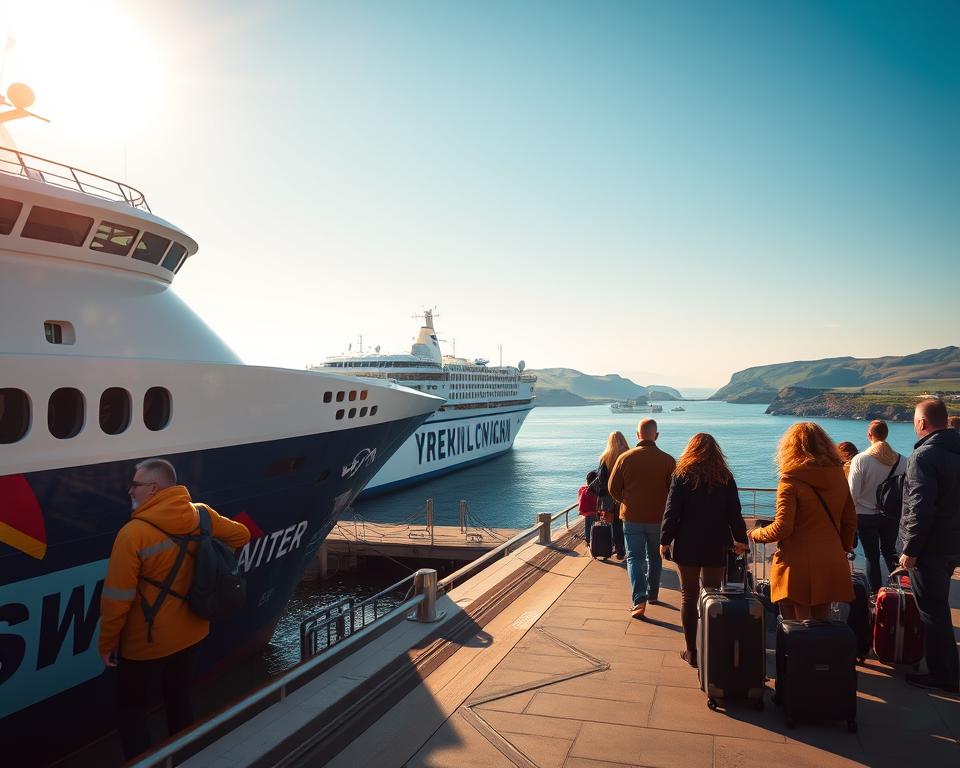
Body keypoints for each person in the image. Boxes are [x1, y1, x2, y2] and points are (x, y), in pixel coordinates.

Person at [99, 458, 251, 760]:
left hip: (147, 641)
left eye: (136, 484)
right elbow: (241, 535)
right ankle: (187, 758)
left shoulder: (133, 534)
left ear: (154, 489)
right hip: (194, 630)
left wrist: (107, 642)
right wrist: (208, 561)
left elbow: (117, 598)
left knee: (130, 710)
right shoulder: (202, 515)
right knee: (178, 697)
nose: (130, 490)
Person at [748, 422, 856, 619]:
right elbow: (849, 520)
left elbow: (783, 528)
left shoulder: (790, 480)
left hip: (796, 564)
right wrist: (843, 548)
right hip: (831, 558)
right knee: (821, 623)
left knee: (796, 630)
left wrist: (756, 534)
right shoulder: (839, 476)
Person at [659, 433, 748, 667]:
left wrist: (665, 540)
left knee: (689, 596)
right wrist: (740, 540)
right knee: (713, 594)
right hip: (716, 544)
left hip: (687, 543)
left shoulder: (681, 476)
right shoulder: (725, 477)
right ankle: (711, 645)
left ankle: (692, 651)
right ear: (716, 452)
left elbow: (672, 512)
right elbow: (734, 513)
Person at [897, 398, 960, 693]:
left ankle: (944, 674)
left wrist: (910, 550)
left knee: (932, 611)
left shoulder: (924, 457)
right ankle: (946, 668)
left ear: (922, 423)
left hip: (930, 548)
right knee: (939, 607)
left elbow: (920, 507)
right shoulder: (955, 449)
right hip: (951, 543)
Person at [608, 418, 676, 618]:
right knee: (655, 557)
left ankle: (639, 600)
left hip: (632, 517)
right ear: (656, 435)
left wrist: (626, 501)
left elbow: (613, 488)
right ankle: (653, 594)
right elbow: (674, 492)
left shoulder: (625, 458)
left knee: (635, 558)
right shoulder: (668, 460)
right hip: (658, 518)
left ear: (637, 435)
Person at [847, 420, 905, 593]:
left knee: (872, 557)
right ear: (886, 435)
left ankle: (876, 595)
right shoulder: (903, 460)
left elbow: (852, 494)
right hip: (891, 515)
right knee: (890, 552)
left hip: (865, 515)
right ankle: (902, 589)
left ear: (869, 435)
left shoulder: (861, 460)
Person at [595, 431, 629, 559]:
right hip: (626, 495)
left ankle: (619, 550)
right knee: (629, 523)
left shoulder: (606, 457)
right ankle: (629, 548)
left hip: (610, 497)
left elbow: (601, 480)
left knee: (615, 523)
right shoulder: (629, 454)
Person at [577, 470, 601, 544]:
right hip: (596, 512)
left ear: (587, 480)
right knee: (596, 528)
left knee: (588, 528)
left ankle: (588, 541)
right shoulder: (598, 490)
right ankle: (596, 541)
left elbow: (579, 499)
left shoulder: (582, 489)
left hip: (586, 513)